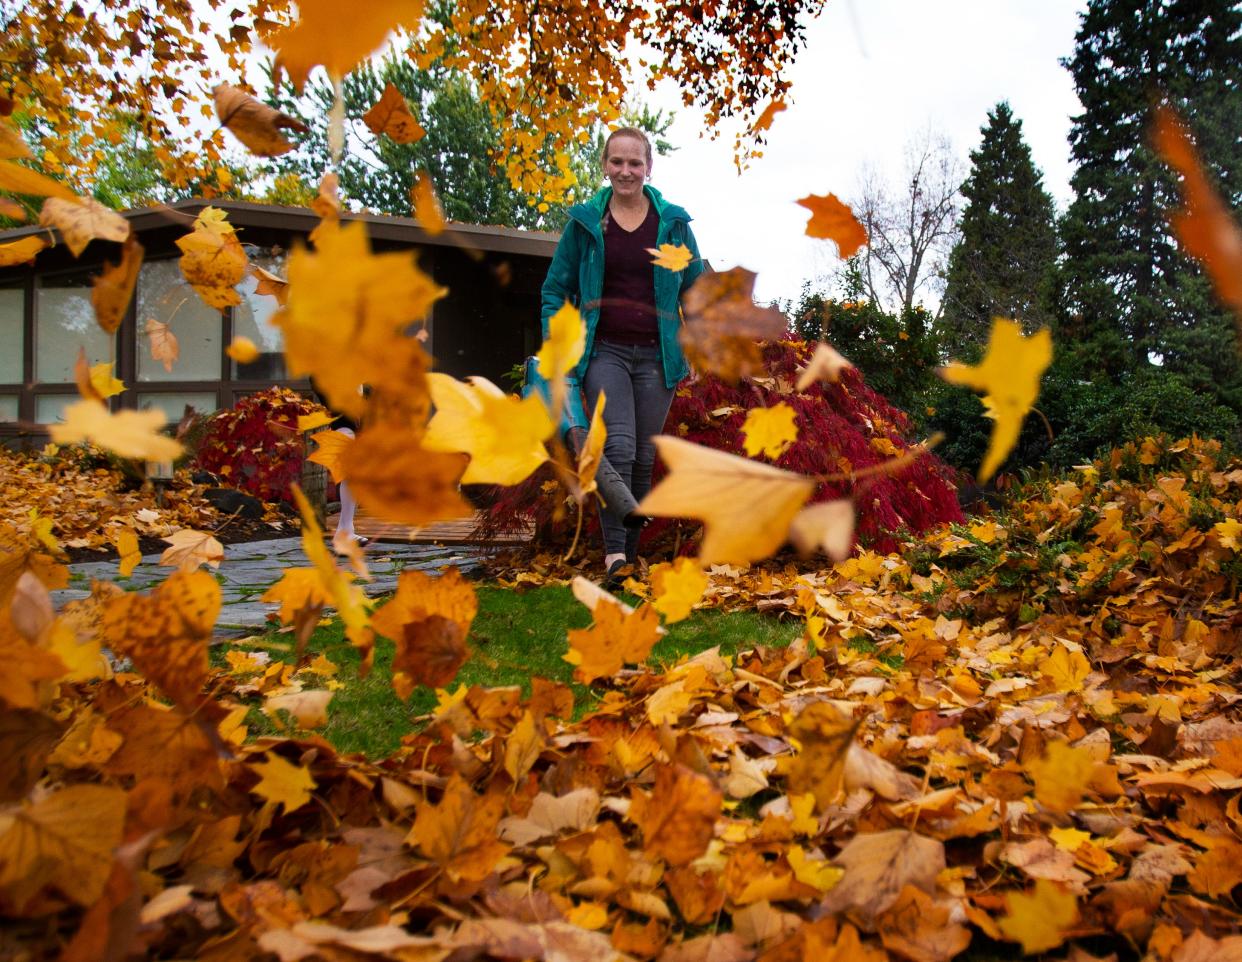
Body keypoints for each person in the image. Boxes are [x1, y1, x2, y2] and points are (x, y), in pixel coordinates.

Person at [540, 127, 706, 585]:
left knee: (642, 458)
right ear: (605, 165)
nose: (626, 171)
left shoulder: (672, 224)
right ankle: (615, 555)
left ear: (649, 167)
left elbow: (695, 291)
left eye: (635, 163)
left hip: (658, 356)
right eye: (617, 162)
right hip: (604, 350)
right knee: (618, 445)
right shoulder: (586, 225)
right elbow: (555, 288)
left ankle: (628, 560)